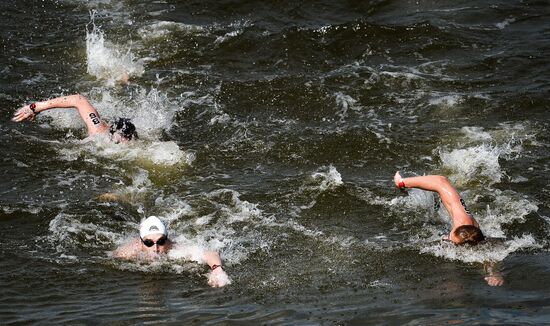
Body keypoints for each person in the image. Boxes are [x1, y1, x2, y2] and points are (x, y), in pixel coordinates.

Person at [393, 171, 504, 286]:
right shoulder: (463, 219)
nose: (448, 237)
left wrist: (401, 182)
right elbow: (441, 181)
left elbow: (442, 180)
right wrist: (494, 274)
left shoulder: (465, 236)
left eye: (451, 238)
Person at [113, 216, 230, 288]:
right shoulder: (128, 252)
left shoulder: (174, 248)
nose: (155, 248)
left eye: (161, 241)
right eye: (148, 243)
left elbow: (210, 253)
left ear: (167, 240)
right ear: (141, 242)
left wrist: (217, 270)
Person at [12, 94, 137, 143]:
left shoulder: (137, 148)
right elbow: (79, 99)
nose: (123, 142)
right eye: (121, 139)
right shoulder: (98, 130)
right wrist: (36, 107)